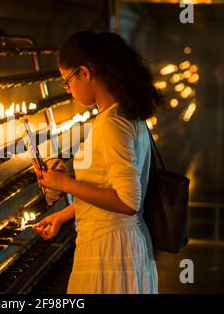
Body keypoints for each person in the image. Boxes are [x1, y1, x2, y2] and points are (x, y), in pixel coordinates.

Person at [32, 31, 164, 294]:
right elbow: (107, 187)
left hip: (109, 252)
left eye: (67, 81)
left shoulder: (111, 125)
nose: (68, 90)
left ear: (84, 73)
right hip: (122, 244)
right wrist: (63, 216)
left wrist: (66, 184)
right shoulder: (127, 114)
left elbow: (127, 202)